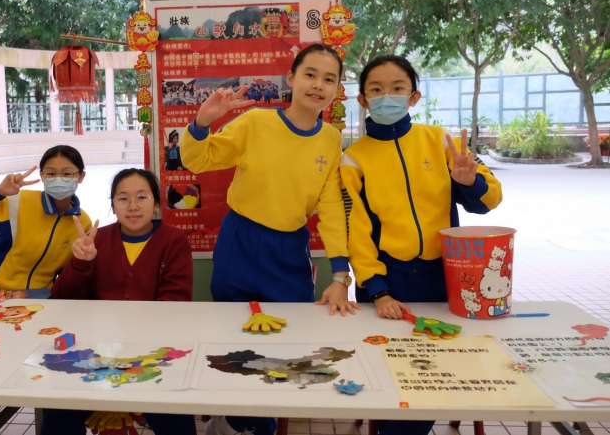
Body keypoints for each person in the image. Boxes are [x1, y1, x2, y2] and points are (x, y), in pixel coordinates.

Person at [181, 43, 360, 435]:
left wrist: (341, 275)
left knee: (288, 339)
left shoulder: (331, 139)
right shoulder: (257, 122)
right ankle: (241, 419)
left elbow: (331, 207)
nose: (318, 85)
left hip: (290, 250)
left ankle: (248, 420)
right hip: (240, 241)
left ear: (337, 88)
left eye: (329, 79)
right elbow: (198, 159)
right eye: (310, 74)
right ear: (291, 78)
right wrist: (202, 122)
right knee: (236, 336)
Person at [340, 55, 503, 435]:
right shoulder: (354, 159)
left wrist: (469, 181)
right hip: (388, 282)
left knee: (432, 377)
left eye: (397, 88)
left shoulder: (441, 140)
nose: (387, 96)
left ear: (413, 96)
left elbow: (488, 201)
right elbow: (356, 231)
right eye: (376, 89)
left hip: (441, 277)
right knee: (385, 373)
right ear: (363, 100)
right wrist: (377, 289)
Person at [41, 168, 195, 435]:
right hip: (95, 352)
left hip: (152, 352)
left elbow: (175, 304)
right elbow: (62, 299)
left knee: (175, 416)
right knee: (59, 411)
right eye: (123, 198)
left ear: (156, 204)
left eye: (142, 197)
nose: (132, 206)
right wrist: (81, 262)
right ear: (113, 205)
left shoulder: (174, 240)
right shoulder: (96, 240)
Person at [0, 145, 93, 294]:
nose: (58, 179)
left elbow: (68, 273)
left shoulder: (82, 223)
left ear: (81, 176)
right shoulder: (17, 202)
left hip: (40, 297)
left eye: (67, 173)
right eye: (51, 173)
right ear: (42, 176)